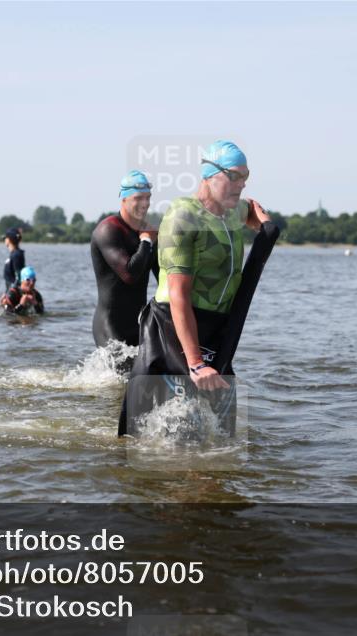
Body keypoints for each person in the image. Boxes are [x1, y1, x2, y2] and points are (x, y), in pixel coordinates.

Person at [119, 140, 275, 436]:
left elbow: (251, 210)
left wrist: (263, 221)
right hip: (171, 326)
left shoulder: (232, 210)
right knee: (160, 431)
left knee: (216, 430)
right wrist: (195, 363)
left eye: (246, 176)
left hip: (216, 327)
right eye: (234, 176)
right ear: (209, 174)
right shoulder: (183, 216)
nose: (241, 184)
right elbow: (179, 295)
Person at [90, 170, 159, 349]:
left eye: (148, 197)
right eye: (138, 198)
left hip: (138, 325)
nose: (145, 204)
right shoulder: (108, 229)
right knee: (121, 377)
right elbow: (129, 274)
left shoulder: (148, 233)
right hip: (110, 327)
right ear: (124, 199)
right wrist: (146, 241)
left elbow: (164, 278)